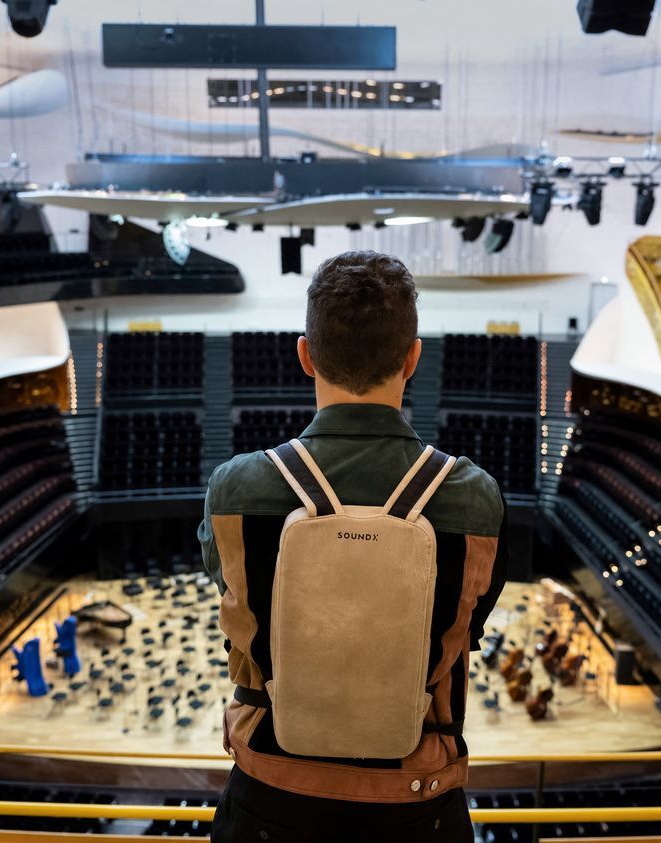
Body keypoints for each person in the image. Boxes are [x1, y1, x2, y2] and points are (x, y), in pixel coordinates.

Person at [198, 251, 509, 842]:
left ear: (306, 355)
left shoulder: (234, 488)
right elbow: (470, 626)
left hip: (269, 795)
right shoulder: (474, 497)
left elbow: (232, 597)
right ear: (413, 357)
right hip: (416, 805)